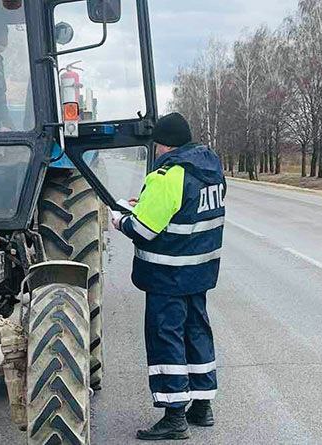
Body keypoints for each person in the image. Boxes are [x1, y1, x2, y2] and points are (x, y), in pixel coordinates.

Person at [112, 112, 226, 441]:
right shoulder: (211, 169)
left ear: (164, 145)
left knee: (167, 338)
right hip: (199, 272)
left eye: (157, 146)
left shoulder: (167, 174)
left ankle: (174, 416)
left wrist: (122, 219)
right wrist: (146, 204)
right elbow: (186, 211)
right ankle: (202, 407)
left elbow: (145, 229)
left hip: (168, 274)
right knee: (197, 332)